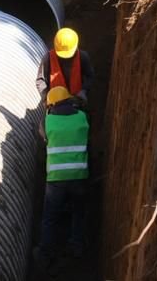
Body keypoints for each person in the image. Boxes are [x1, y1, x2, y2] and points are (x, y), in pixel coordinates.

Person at [37, 86, 89, 266]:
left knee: (50, 217)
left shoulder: (47, 121)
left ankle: (46, 252)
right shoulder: (82, 117)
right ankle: (77, 248)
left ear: (51, 105)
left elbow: (44, 139)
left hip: (56, 180)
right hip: (79, 176)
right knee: (78, 212)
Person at [36, 27, 94, 108]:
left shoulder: (82, 57)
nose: (66, 58)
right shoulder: (48, 59)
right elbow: (40, 80)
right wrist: (46, 98)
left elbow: (90, 76)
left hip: (77, 101)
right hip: (56, 103)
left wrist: (83, 91)